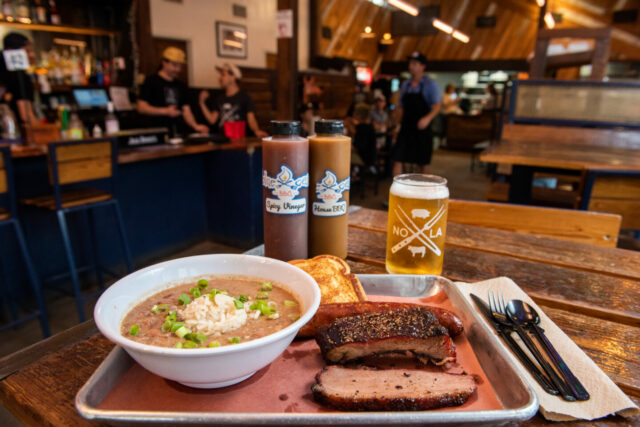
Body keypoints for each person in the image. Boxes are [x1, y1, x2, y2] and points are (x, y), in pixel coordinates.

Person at [137, 47, 208, 136]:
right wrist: (165, 111)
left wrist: (195, 126)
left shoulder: (181, 85)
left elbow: (186, 111)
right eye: (174, 65)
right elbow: (141, 107)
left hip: (178, 132)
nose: (178, 69)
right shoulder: (151, 81)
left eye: (180, 66)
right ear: (164, 62)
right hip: (156, 132)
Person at [392, 52, 441, 176]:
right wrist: (397, 125)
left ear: (422, 66)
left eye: (414, 63)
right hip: (406, 128)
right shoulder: (405, 85)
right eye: (410, 63)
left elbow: (437, 105)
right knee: (397, 159)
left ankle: (422, 193)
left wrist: (427, 119)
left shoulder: (430, 84)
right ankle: (397, 191)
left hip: (422, 129)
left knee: (423, 163)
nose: (411, 66)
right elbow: (401, 107)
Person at [199, 63, 267, 138]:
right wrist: (202, 103)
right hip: (223, 141)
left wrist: (256, 130)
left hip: (239, 141)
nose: (220, 78)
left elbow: (251, 119)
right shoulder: (219, 98)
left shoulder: (245, 97)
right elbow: (212, 120)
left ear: (233, 77)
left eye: (223, 75)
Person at [0, 33, 39, 126]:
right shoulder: (18, 74)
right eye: (27, 51)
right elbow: (26, 116)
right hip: (15, 132)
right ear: (12, 52)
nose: (32, 55)